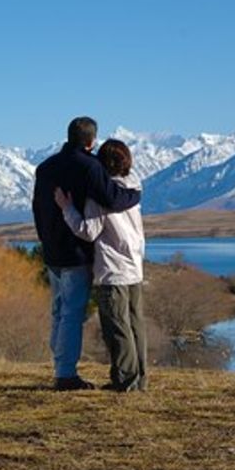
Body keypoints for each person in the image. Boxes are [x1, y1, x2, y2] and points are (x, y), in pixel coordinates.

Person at [32, 117, 141, 390]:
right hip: (76, 253)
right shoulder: (90, 166)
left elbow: (37, 209)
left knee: (58, 311)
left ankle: (60, 366)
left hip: (52, 251)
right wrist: (136, 195)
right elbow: (113, 199)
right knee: (72, 313)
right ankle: (66, 374)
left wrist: (45, 240)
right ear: (91, 142)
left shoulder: (45, 168)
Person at [54, 139, 147, 392]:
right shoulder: (132, 189)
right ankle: (139, 379)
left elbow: (88, 231)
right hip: (134, 268)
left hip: (112, 271)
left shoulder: (100, 196)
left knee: (117, 328)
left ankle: (125, 381)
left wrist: (67, 208)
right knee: (135, 325)